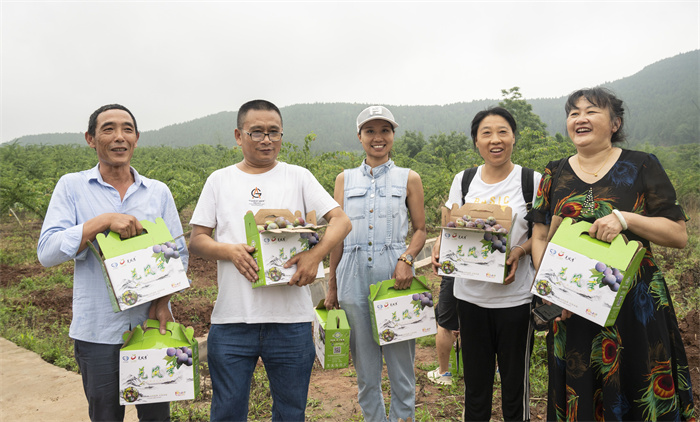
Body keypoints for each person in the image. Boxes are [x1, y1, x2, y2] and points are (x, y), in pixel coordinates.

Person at [529, 87, 695, 421]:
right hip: (572, 304)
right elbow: (541, 235)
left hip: (634, 303)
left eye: (591, 111)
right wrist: (554, 291)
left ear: (615, 123)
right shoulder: (554, 172)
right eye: (574, 113)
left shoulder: (641, 165)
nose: (580, 118)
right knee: (581, 391)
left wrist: (626, 219)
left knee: (638, 386)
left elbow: (678, 235)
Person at [188, 99, 351, 422]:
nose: (267, 140)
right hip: (233, 320)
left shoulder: (298, 177)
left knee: (291, 412)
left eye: (274, 132)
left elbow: (341, 221)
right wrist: (230, 251)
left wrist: (315, 255)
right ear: (239, 136)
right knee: (227, 412)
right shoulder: (219, 180)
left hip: (290, 322)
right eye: (257, 132)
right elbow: (197, 240)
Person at [37, 104, 188, 422]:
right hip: (98, 333)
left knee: (157, 417)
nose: (119, 136)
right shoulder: (72, 187)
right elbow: (47, 252)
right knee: (105, 416)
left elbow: (180, 254)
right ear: (90, 139)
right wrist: (101, 222)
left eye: (127, 129)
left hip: (151, 327)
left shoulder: (157, 192)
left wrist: (163, 302)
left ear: (136, 138)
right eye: (108, 129)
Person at [431, 106, 542, 421]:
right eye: (487, 133)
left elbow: (541, 234)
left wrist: (519, 251)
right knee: (476, 388)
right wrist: (440, 242)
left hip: (516, 300)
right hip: (471, 299)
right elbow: (451, 226)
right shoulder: (464, 180)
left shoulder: (531, 181)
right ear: (476, 142)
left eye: (503, 132)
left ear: (514, 138)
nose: (496, 140)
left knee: (515, 388)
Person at [325, 105, 426, 422]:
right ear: (360, 136)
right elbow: (337, 236)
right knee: (366, 369)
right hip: (352, 275)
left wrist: (406, 258)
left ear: (393, 135)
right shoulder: (344, 180)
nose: (377, 137)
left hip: (395, 276)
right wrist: (332, 285)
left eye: (385, 130)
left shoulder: (409, 178)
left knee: (401, 366)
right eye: (370, 131)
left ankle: (403, 418)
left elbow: (421, 230)